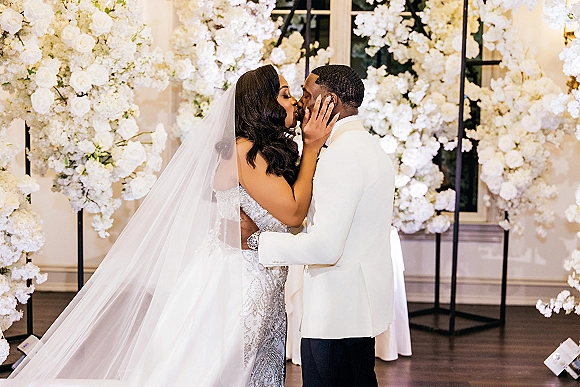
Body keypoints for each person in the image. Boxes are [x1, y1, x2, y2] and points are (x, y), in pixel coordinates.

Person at [6, 64, 337, 386]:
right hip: (238, 281)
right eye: (284, 94)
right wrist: (311, 147)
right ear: (261, 105)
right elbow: (293, 214)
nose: (294, 101)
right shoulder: (245, 150)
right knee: (219, 368)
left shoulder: (257, 150)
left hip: (252, 273)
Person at [241, 64, 396, 387]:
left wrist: (257, 240)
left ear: (332, 103)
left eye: (308, 95)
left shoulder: (341, 155)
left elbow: (326, 246)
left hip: (336, 312)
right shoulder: (365, 146)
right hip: (353, 308)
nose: (301, 103)